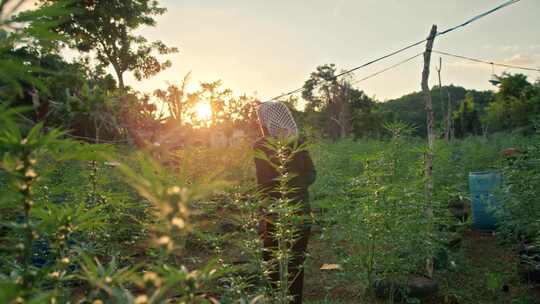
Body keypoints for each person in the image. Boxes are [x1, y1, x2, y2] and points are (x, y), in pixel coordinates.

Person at [253, 101, 316, 304]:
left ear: (266, 120)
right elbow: (312, 174)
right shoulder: (298, 140)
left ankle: (276, 300)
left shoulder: (261, 145)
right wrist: (296, 185)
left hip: (275, 214)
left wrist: (263, 214)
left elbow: (264, 184)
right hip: (301, 212)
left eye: (261, 119)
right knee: (296, 264)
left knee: (271, 263)